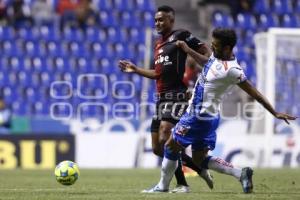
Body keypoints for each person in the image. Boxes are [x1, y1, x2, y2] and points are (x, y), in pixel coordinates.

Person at [142, 27, 297, 193]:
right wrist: (188, 51)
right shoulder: (218, 57)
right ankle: (240, 173)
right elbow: (207, 63)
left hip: (197, 117)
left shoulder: (232, 70)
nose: (211, 46)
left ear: (227, 48)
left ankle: (163, 187)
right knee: (199, 158)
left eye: (215, 45)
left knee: (171, 146)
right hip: (209, 116)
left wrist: (274, 112)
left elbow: (254, 92)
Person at [119, 5, 213, 193]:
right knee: (157, 148)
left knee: (165, 134)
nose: (157, 23)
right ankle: (199, 170)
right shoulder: (158, 45)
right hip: (161, 99)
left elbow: (206, 52)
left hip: (177, 95)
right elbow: (157, 74)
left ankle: (182, 185)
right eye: (155, 20)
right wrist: (136, 70)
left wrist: (191, 58)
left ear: (171, 20)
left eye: (161, 19)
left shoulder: (181, 35)